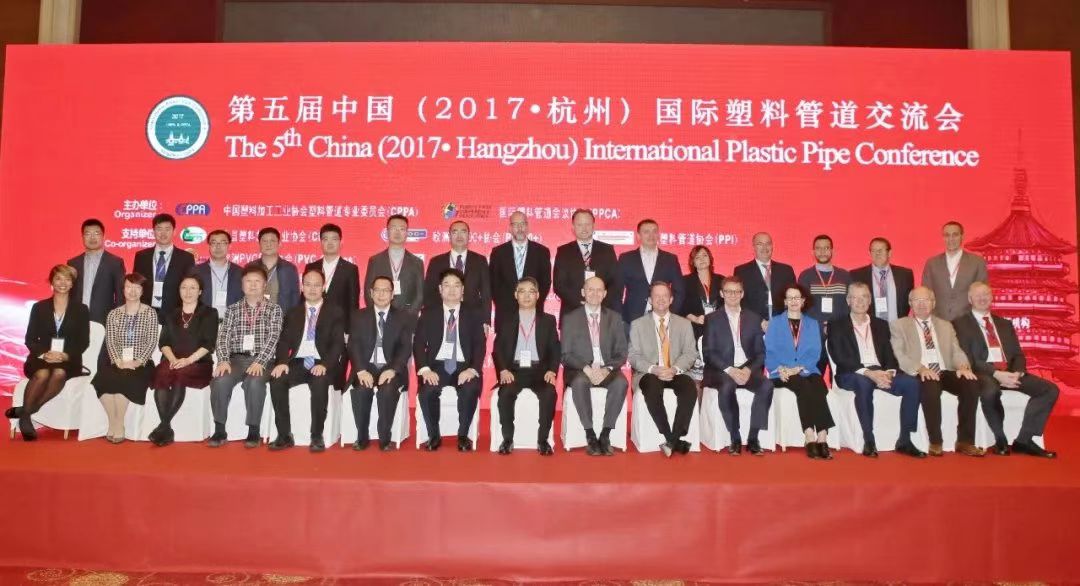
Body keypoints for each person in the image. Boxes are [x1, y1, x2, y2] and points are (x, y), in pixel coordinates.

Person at [952, 282, 1057, 458]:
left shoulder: (1004, 324)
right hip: (984, 373)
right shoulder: (959, 324)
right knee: (990, 391)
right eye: (977, 295)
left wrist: (1018, 372)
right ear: (970, 299)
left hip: (1010, 372)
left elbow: (1018, 354)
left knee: (1050, 390)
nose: (982, 298)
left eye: (986, 294)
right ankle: (1000, 439)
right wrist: (996, 374)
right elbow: (968, 358)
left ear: (992, 297)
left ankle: (1024, 440)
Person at [827, 282, 925, 458]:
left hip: (880, 372)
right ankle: (869, 440)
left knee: (912, 384)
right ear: (848, 301)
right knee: (864, 384)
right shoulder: (837, 325)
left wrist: (889, 373)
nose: (860, 301)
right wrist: (868, 373)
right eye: (855, 297)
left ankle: (905, 440)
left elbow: (889, 355)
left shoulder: (881, 324)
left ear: (870, 300)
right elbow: (840, 357)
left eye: (864, 297)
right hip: (852, 373)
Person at [890, 286, 983, 457]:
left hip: (945, 370)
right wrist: (920, 368)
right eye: (917, 300)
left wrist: (963, 367)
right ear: (910, 303)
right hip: (921, 370)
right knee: (930, 385)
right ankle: (935, 441)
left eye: (925, 300)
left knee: (971, 383)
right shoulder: (899, 325)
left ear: (933, 303)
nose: (921, 304)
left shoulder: (946, 325)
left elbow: (956, 351)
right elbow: (900, 355)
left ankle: (965, 441)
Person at [7, 265, 90, 441]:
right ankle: (27, 415)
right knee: (42, 374)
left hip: (68, 360)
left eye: (67, 279)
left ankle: (25, 412)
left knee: (59, 373)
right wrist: (44, 354)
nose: (62, 283)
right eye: (58, 278)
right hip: (41, 358)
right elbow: (30, 339)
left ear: (72, 284)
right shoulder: (39, 307)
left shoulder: (81, 309)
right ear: (51, 281)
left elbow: (83, 341)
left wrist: (65, 355)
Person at [268, 268, 345, 453]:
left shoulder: (335, 312)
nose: (312, 289)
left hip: (321, 362)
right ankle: (284, 435)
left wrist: (325, 364)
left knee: (319, 383)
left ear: (323, 287)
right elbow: (284, 341)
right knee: (277, 380)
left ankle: (317, 435)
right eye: (308, 284)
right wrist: (282, 362)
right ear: (302, 287)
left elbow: (337, 344)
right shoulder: (293, 312)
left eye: (317, 285)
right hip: (298, 361)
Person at [207, 266, 284, 448]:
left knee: (254, 382)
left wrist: (260, 361)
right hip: (236, 360)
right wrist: (223, 360)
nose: (253, 285)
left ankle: (253, 430)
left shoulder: (274, 309)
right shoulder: (232, 310)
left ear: (264, 285)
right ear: (242, 285)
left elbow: (273, 337)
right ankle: (219, 429)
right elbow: (223, 337)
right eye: (248, 281)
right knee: (220, 380)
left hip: (264, 361)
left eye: (257, 281)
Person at [413, 268, 486, 452]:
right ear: (440, 289)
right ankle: (434, 436)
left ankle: (463, 436)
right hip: (437, 366)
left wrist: (472, 369)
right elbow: (419, 344)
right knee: (427, 391)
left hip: (464, 366)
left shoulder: (474, 313)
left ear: (463, 290)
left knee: (470, 388)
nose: (452, 290)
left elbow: (480, 344)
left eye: (457, 285)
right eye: (447, 285)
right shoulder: (428, 313)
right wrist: (425, 370)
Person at [701, 275, 772, 456]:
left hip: (747, 368)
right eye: (728, 291)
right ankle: (735, 437)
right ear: (721, 293)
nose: (733, 295)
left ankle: (753, 438)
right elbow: (709, 352)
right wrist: (730, 370)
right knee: (727, 385)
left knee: (766, 386)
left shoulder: (753, 318)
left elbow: (760, 353)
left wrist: (748, 369)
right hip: (721, 369)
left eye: (736, 291)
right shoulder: (712, 319)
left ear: (742, 294)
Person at [560, 276, 629, 456]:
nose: (594, 294)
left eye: (599, 290)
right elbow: (565, 354)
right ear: (583, 292)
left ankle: (605, 434)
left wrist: (606, 369)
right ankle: (590, 435)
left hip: (607, 369)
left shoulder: (614, 317)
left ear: (605, 294)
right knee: (580, 382)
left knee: (621, 383)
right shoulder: (570, 318)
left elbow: (622, 352)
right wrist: (587, 369)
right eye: (590, 289)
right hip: (580, 369)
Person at [628, 281, 698, 457]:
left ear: (671, 299)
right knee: (652, 387)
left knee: (690, 388)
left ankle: (673, 439)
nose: (661, 299)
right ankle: (671, 437)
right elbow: (634, 356)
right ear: (650, 300)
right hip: (650, 373)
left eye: (665, 296)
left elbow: (690, 353)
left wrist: (674, 369)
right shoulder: (637, 324)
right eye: (656, 296)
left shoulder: (684, 324)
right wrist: (654, 369)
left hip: (676, 371)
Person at [765, 283, 835, 460]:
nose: (793, 301)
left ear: (803, 301)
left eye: (797, 297)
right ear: (785, 301)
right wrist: (781, 368)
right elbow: (769, 351)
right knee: (802, 385)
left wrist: (799, 367)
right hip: (781, 373)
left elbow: (815, 352)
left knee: (819, 385)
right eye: (790, 298)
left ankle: (822, 436)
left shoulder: (812, 324)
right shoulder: (775, 323)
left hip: (806, 369)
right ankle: (809, 435)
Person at [492, 277, 559, 455]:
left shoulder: (548, 320)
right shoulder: (506, 319)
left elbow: (555, 348)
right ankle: (507, 439)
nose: (527, 296)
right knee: (505, 393)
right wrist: (503, 369)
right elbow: (497, 348)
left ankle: (543, 440)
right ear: (516, 295)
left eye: (531, 292)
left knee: (549, 393)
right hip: (514, 370)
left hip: (540, 371)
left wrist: (552, 370)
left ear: (538, 295)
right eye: (522, 292)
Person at [348, 276, 416, 451]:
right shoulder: (358, 316)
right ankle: (362, 437)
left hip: (390, 368)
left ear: (392, 294)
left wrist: (393, 369)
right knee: (362, 389)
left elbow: (405, 348)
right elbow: (353, 345)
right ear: (371, 293)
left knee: (387, 390)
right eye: (377, 290)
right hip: (366, 367)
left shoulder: (403, 317)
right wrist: (361, 370)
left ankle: (385, 438)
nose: (381, 294)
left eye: (386, 290)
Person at [149, 274, 218, 446]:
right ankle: (166, 428)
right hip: (173, 360)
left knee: (179, 375)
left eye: (193, 288)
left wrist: (187, 360)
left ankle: (163, 426)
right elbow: (164, 342)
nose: (188, 292)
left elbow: (209, 344)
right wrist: (173, 359)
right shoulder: (172, 313)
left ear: (200, 291)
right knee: (161, 373)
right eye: (184, 287)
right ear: (179, 290)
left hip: (198, 363)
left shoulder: (209, 313)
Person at [92, 273, 158, 443]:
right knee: (102, 379)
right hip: (117, 361)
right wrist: (118, 361)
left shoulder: (150, 313)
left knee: (125, 379)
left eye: (137, 287)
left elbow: (151, 341)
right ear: (123, 289)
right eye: (129, 287)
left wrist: (137, 361)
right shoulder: (114, 314)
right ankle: (113, 421)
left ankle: (119, 423)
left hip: (141, 363)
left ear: (142, 291)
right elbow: (111, 341)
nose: (132, 291)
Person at [305, 223, 360, 391]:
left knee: (337, 374)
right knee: (313, 374)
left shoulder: (350, 269)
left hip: (339, 330)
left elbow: (353, 303)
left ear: (341, 242)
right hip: (313, 329)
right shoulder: (311, 267)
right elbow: (303, 300)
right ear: (320, 242)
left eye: (334, 239)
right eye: (325, 239)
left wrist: (349, 332)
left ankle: (337, 405)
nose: (329, 243)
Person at [489, 211, 551, 329]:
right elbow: (493, 284)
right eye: (515, 224)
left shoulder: (542, 252)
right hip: (505, 315)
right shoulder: (498, 252)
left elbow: (545, 283)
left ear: (528, 227)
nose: (520, 228)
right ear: (510, 228)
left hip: (534, 313)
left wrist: (531, 303)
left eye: (523, 224)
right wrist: (505, 304)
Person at [553, 208, 620, 316]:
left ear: (594, 226)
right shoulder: (563, 251)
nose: (584, 228)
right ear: (573, 227)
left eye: (587, 224)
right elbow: (559, 285)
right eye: (579, 225)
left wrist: (599, 302)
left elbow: (615, 282)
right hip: (572, 312)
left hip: (602, 311)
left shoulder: (607, 250)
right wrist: (581, 303)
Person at [618, 219, 684, 327]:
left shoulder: (670, 259)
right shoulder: (626, 258)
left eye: (654, 231)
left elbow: (679, 290)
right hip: (631, 319)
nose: (651, 235)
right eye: (646, 232)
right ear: (638, 236)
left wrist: (670, 313)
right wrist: (620, 315)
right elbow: (617, 290)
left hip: (662, 318)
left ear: (658, 235)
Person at [922, 221, 989, 322]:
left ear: (962, 236)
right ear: (943, 238)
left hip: (968, 321)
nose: (951, 239)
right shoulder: (932, 263)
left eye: (955, 235)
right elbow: (926, 294)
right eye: (947, 235)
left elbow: (982, 294)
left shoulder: (977, 262)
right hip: (938, 322)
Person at [133, 213, 196, 321]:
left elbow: (190, 287)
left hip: (175, 315)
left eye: (167, 229)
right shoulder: (141, 256)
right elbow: (136, 284)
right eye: (159, 229)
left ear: (174, 231)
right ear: (153, 231)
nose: (163, 233)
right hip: (144, 313)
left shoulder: (186, 258)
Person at [363, 214, 425, 315]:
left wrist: (408, 317)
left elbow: (420, 295)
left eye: (402, 229)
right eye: (393, 228)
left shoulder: (417, 262)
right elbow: (368, 292)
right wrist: (378, 314)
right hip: (380, 317)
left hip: (407, 318)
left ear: (407, 233)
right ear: (387, 232)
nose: (397, 232)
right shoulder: (375, 261)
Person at [68, 218, 124, 325]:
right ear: (82, 237)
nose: (92, 237)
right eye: (88, 233)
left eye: (96, 233)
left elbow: (120, 295)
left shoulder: (115, 262)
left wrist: (118, 319)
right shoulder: (73, 263)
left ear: (103, 236)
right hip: (76, 319)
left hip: (104, 320)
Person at [733, 232, 795, 327]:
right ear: (753, 247)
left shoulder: (786, 270)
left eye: (768, 244)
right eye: (760, 244)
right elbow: (740, 301)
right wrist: (758, 321)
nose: (765, 247)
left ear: (772, 246)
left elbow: (793, 298)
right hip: (753, 326)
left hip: (782, 325)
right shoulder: (741, 271)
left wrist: (781, 320)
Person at [851, 237, 915, 321]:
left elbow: (909, 301)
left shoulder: (905, 275)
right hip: (870, 326)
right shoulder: (856, 275)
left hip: (898, 326)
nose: (877, 254)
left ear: (889, 253)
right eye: (873, 251)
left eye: (880, 250)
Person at [797, 234, 851, 324]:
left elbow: (850, 304)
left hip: (840, 327)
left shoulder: (845, 275)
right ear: (813, 252)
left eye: (826, 248)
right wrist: (818, 324)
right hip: (813, 327)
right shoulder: (805, 276)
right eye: (818, 248)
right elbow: (802, 305)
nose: (822, 252)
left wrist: (838, 325)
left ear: (832, 251)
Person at [247, 227, 300, 310]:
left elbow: (295, 298)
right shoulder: (250, 268)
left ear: (279, 244)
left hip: (282, 316)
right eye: (265, 241)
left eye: (272, 241)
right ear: (259, 244)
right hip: (254, 316)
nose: (268, 244)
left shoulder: (289, 269)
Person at [678, 245, 724, 340]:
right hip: (694, 328)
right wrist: (695, 318)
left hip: (718, 328)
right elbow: (681, 307)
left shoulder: (721, 280)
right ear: (693, 262)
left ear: (710, 259)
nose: (702, 259)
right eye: (697, 257)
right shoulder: (685, 281)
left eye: (705, 255)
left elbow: (726, 303)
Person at [196, 229, 242, 319]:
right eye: (214, 243)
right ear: (208, 246)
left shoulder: (240, 272)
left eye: (223, 243)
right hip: (204, 321)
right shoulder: (197, 271)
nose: (218, 247)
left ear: (229, 246)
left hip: (232, 322)